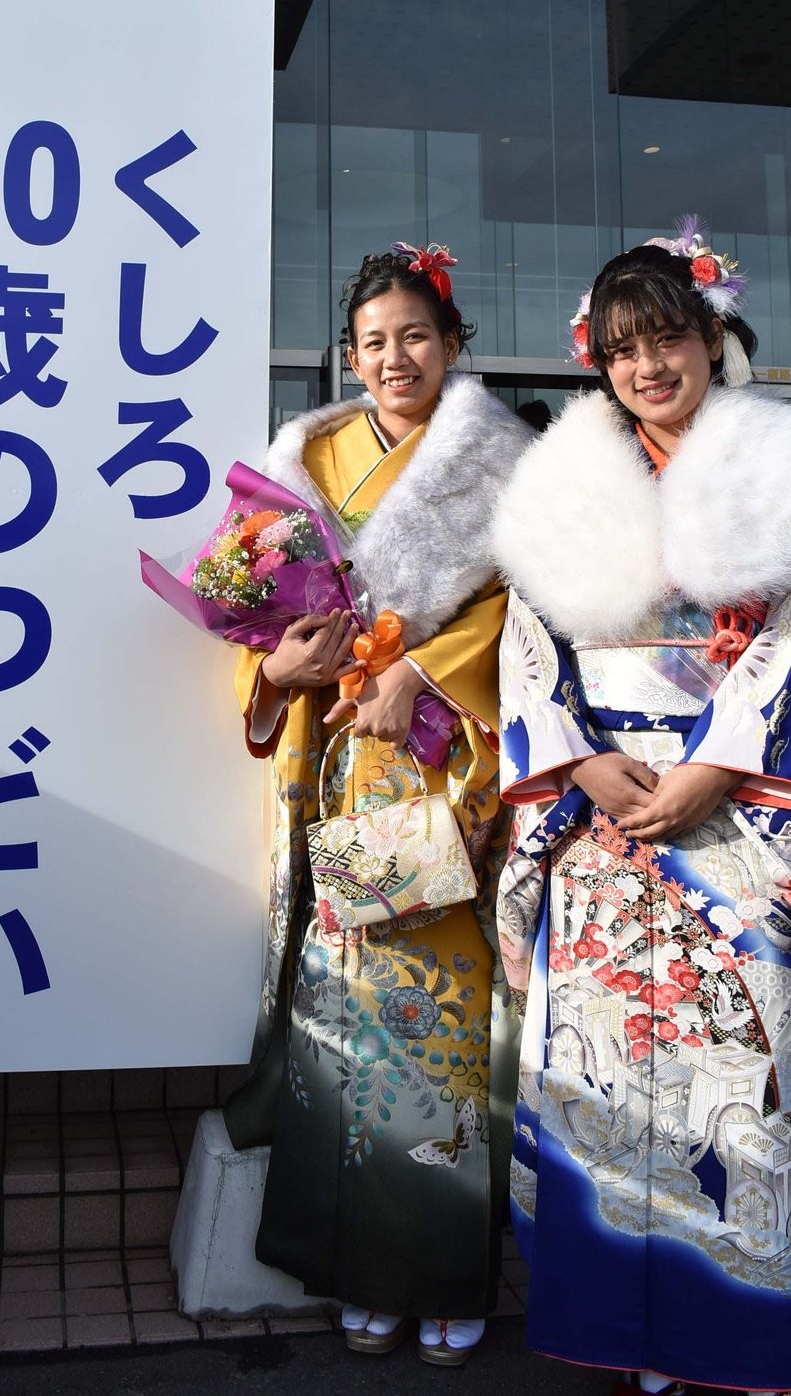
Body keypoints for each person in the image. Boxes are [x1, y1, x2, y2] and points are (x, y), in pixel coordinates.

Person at [491, 220, 791, 1396]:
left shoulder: (787, 478)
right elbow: (527, 649)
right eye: (623, 348)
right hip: (604, 830)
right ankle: (630, 1337)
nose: (647, 366)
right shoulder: (564, 485)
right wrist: (578, 761)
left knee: (750, 1092)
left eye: (667, 337)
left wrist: (720, 766)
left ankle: (749, 1335)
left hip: (742, 832)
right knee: (610, 1089)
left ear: (710, 337)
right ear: (599, 361)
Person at [223, 243, 530, 1365]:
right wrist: (280, 668)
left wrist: (425, 671)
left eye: (414, 336)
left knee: (434, 1030)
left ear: (451, 343)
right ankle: (357, 1264)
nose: (394, 358)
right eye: (372, 342)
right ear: (349, 357)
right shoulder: (307, 458)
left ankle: (441, 1268)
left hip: (438, 777)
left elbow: (526, 610)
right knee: (339, 1022)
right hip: (335, 768)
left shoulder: (507, 464)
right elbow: (258, 606)